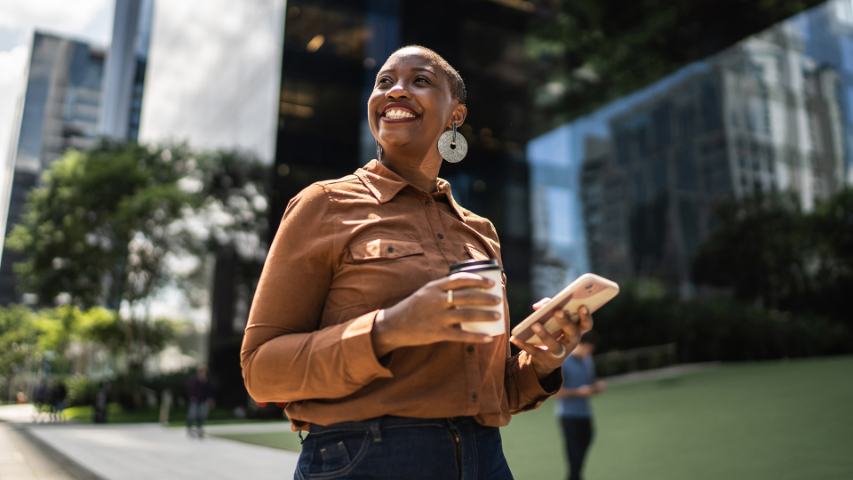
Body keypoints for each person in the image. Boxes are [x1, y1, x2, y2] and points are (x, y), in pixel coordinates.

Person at [240, 45, 594, 479]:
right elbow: (261, 370)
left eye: (420, 81)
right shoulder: (323, 205)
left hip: (485, 458)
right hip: (365, 458)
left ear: (456, 115)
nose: (396, 92)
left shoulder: (480, 232)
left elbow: (486, 392)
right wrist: (392, 327)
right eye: (384, 82)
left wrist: (540, 361)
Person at [555, 333, 606, 480]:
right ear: (579, 345)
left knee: (587, 441)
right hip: (568, 415)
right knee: (574, 455)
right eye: (587, 350)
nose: (588, 354)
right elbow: (556, 393)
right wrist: (578, 392)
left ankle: (575, 475)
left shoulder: (587, 360)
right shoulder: (564, 362)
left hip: (585, 413)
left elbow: (589, 382)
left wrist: (596, 387)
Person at [186, 366, 213, 438]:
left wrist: (210, 399)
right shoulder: (194, 380)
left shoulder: (206, 380)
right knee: (192, 415)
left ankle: (199, 428)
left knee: (202, 415)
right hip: (195, 400)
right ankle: (189, 428)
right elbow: (191, 389)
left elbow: (209, 391)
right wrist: (192, 397)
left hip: (203, 400)